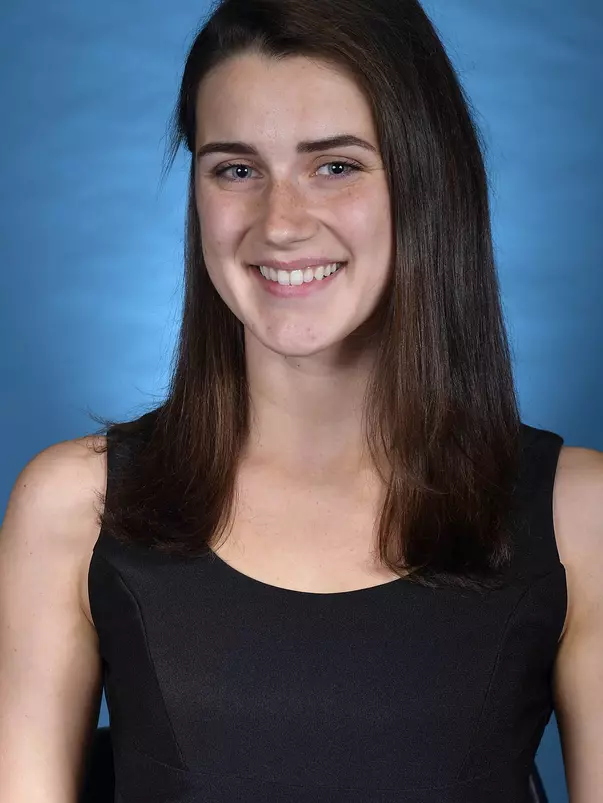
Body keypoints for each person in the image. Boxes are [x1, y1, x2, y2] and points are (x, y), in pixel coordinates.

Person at [0, 0, 601, 800]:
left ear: (428, 179)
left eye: (336, 165)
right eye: (236, 169)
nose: (279, 223)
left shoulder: (578, 518)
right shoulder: (72, 506)